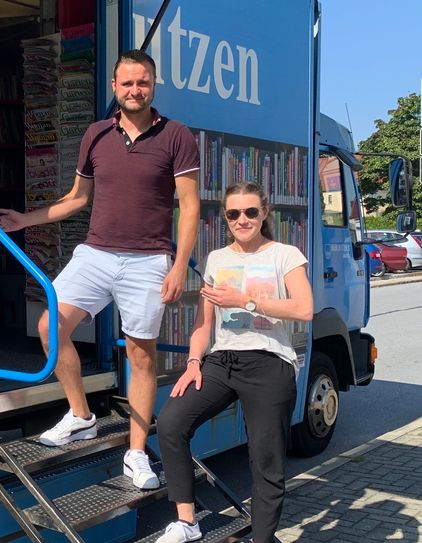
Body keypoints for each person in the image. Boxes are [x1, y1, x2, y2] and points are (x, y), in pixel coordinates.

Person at [0, 50, 200, 490]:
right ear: (114, 86)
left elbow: (190, 207)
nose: (134, 90)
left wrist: (179, 266)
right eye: (126, 83)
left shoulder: (177, 135)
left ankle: (137, 453)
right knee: (51, 327)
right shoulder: (96, 135)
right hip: (96, 254)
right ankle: (82, 415)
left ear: (154, 85)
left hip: (148, 259)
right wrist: (26, 220)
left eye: (142, 82)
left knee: (141, 357)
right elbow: (76, 199)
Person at [153, 182, 314, 543]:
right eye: (233, 214)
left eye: (250, 212)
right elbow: (204, 324)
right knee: (171, 422)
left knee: (265, 459)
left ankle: (261, 538)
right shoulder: (216, 259)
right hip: (221, 362)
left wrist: (245, 300)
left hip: (270, 363)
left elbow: (304, 309)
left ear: (264, 213)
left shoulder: (285, 254)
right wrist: (194, 361)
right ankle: (186, 521)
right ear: (225, 218)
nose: (243, 220)